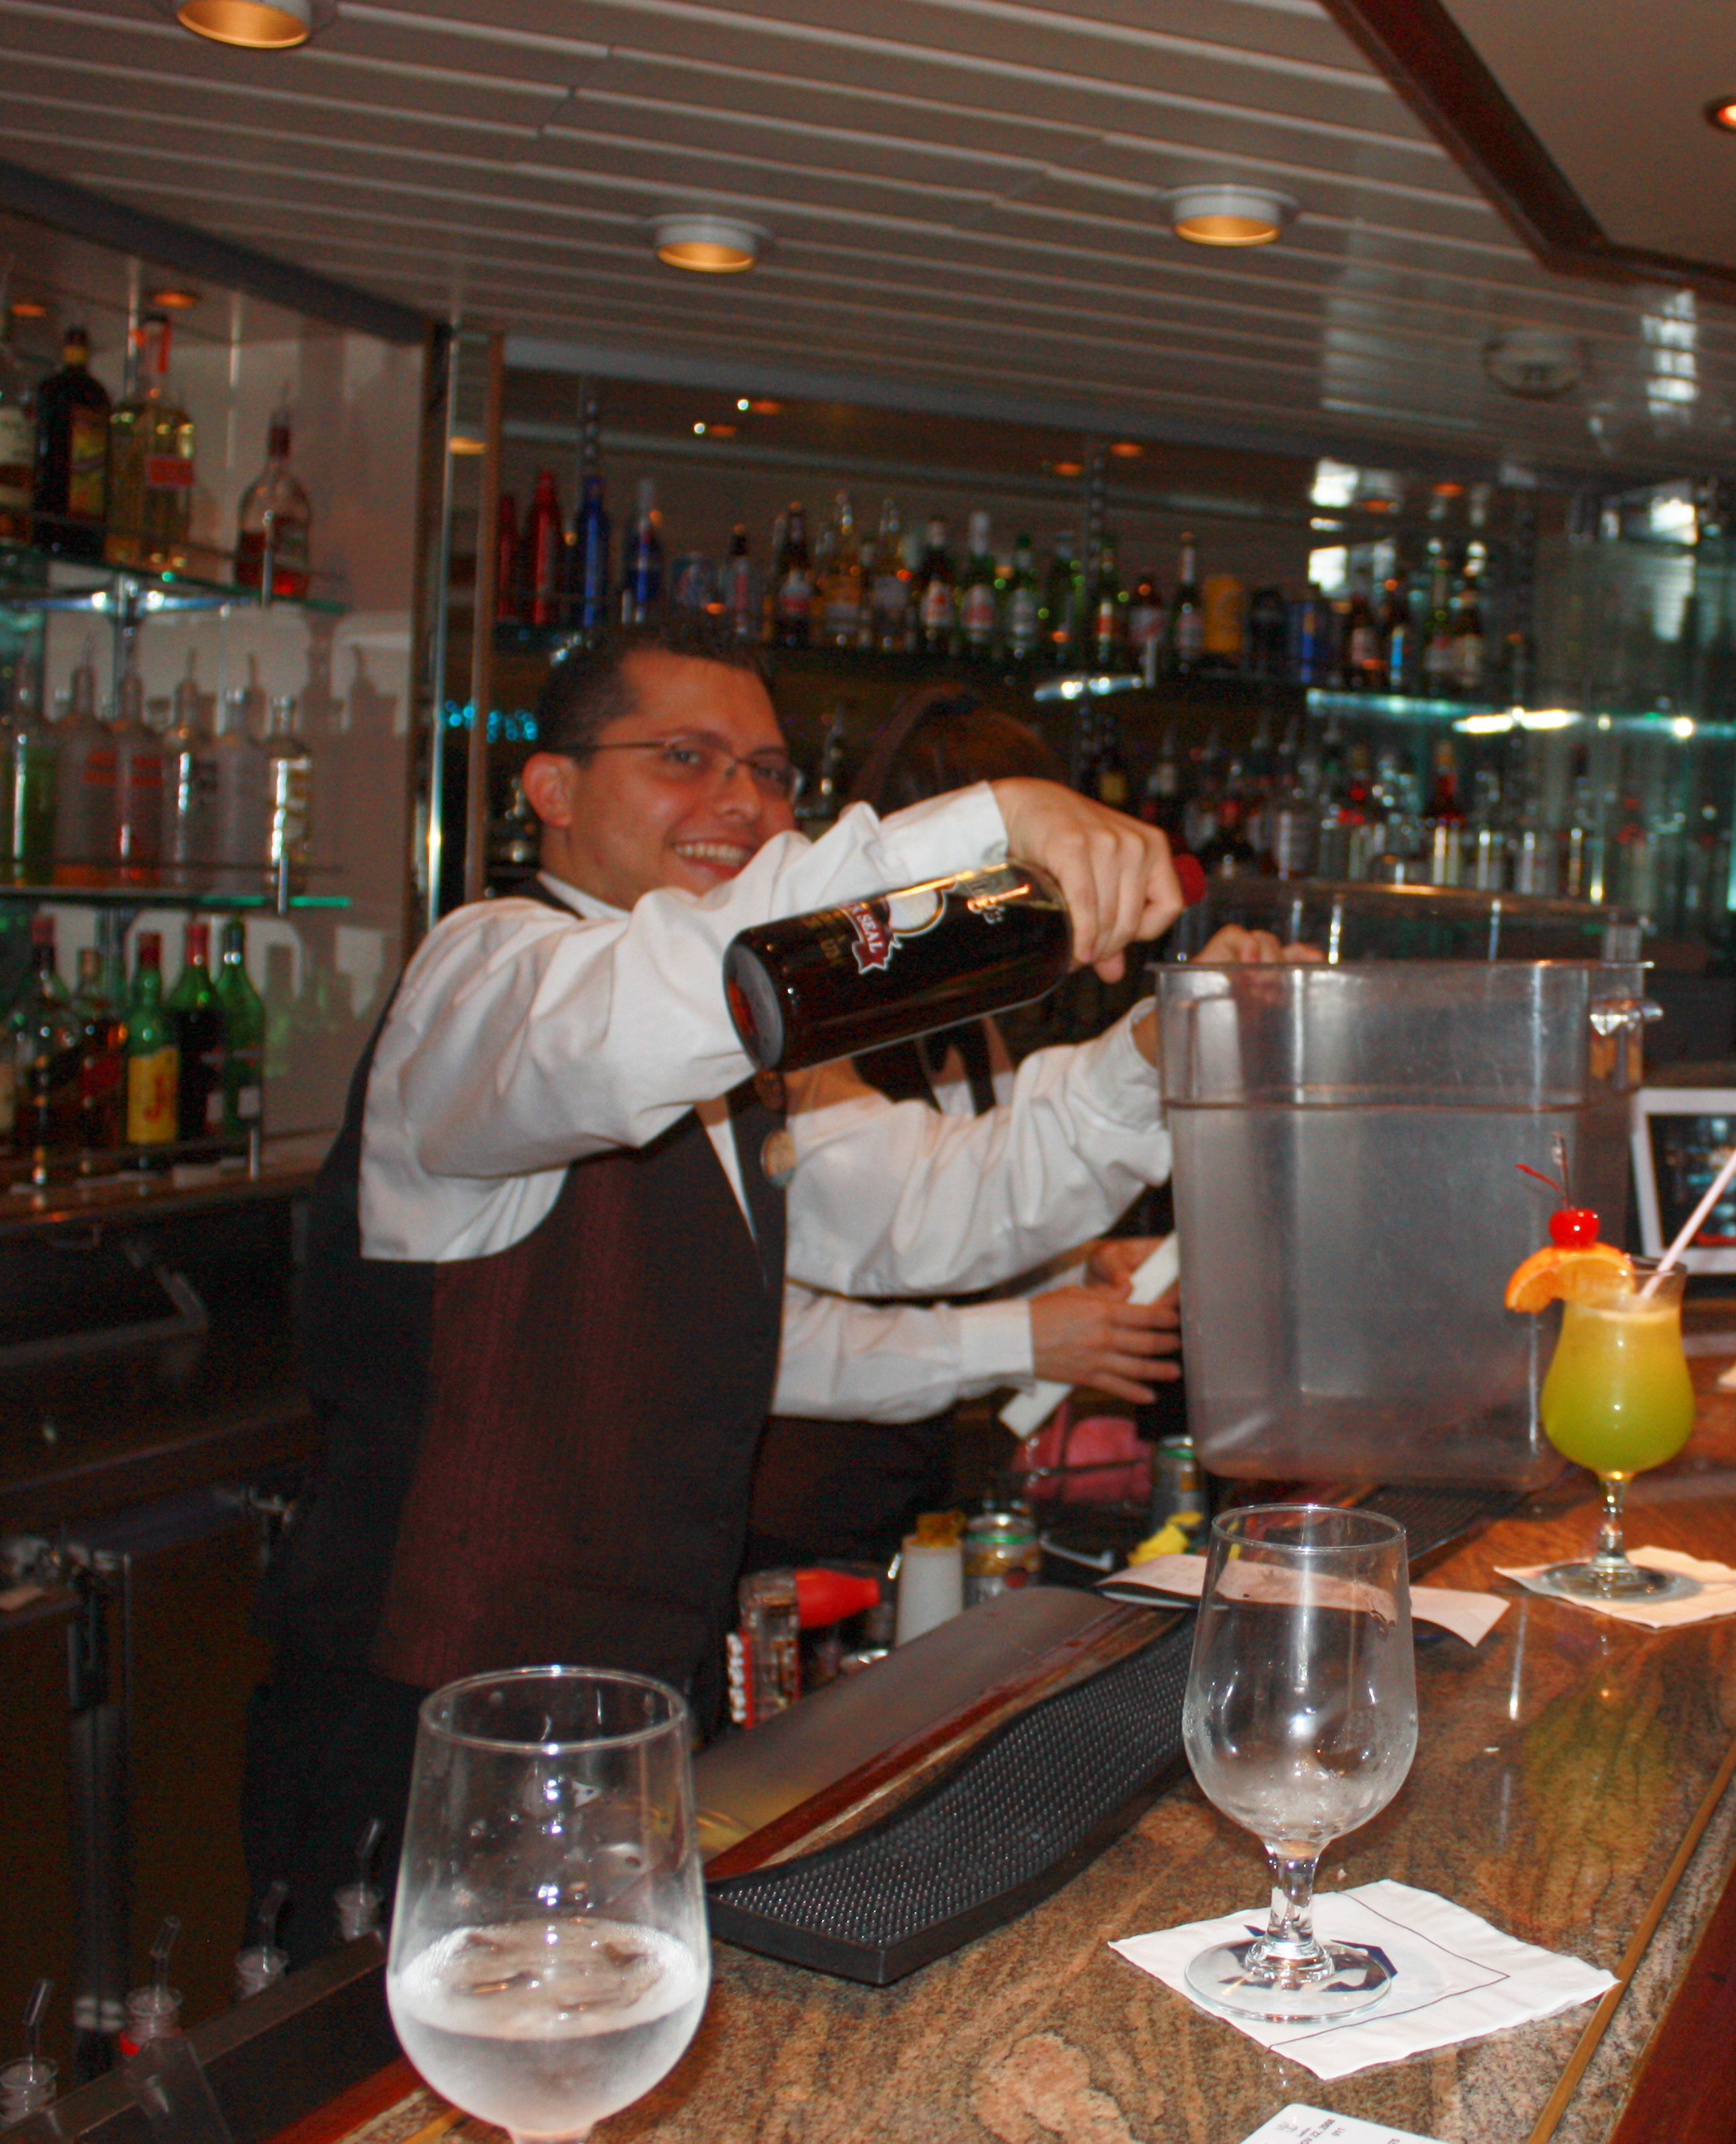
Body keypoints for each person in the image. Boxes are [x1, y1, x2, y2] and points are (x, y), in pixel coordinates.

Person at [242, 622, 1186, 1951]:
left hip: (644, 1706)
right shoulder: (488, 978)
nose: (740, 802)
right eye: (684, 758)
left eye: (769, 771)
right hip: (432, 1735)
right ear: (551, 788)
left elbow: (929, 1209)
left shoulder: (738, 1056)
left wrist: (1147, 1063)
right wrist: (973, 836)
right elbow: (617, 1025)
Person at [746, 686, 1187, 1567]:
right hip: (797, 1502)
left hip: (928, 1486)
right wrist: (1021, 1334)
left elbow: (974, 1208)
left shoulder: (965, 1025)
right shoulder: (805, 1038)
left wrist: (1078, 1268)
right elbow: (798, 1307)